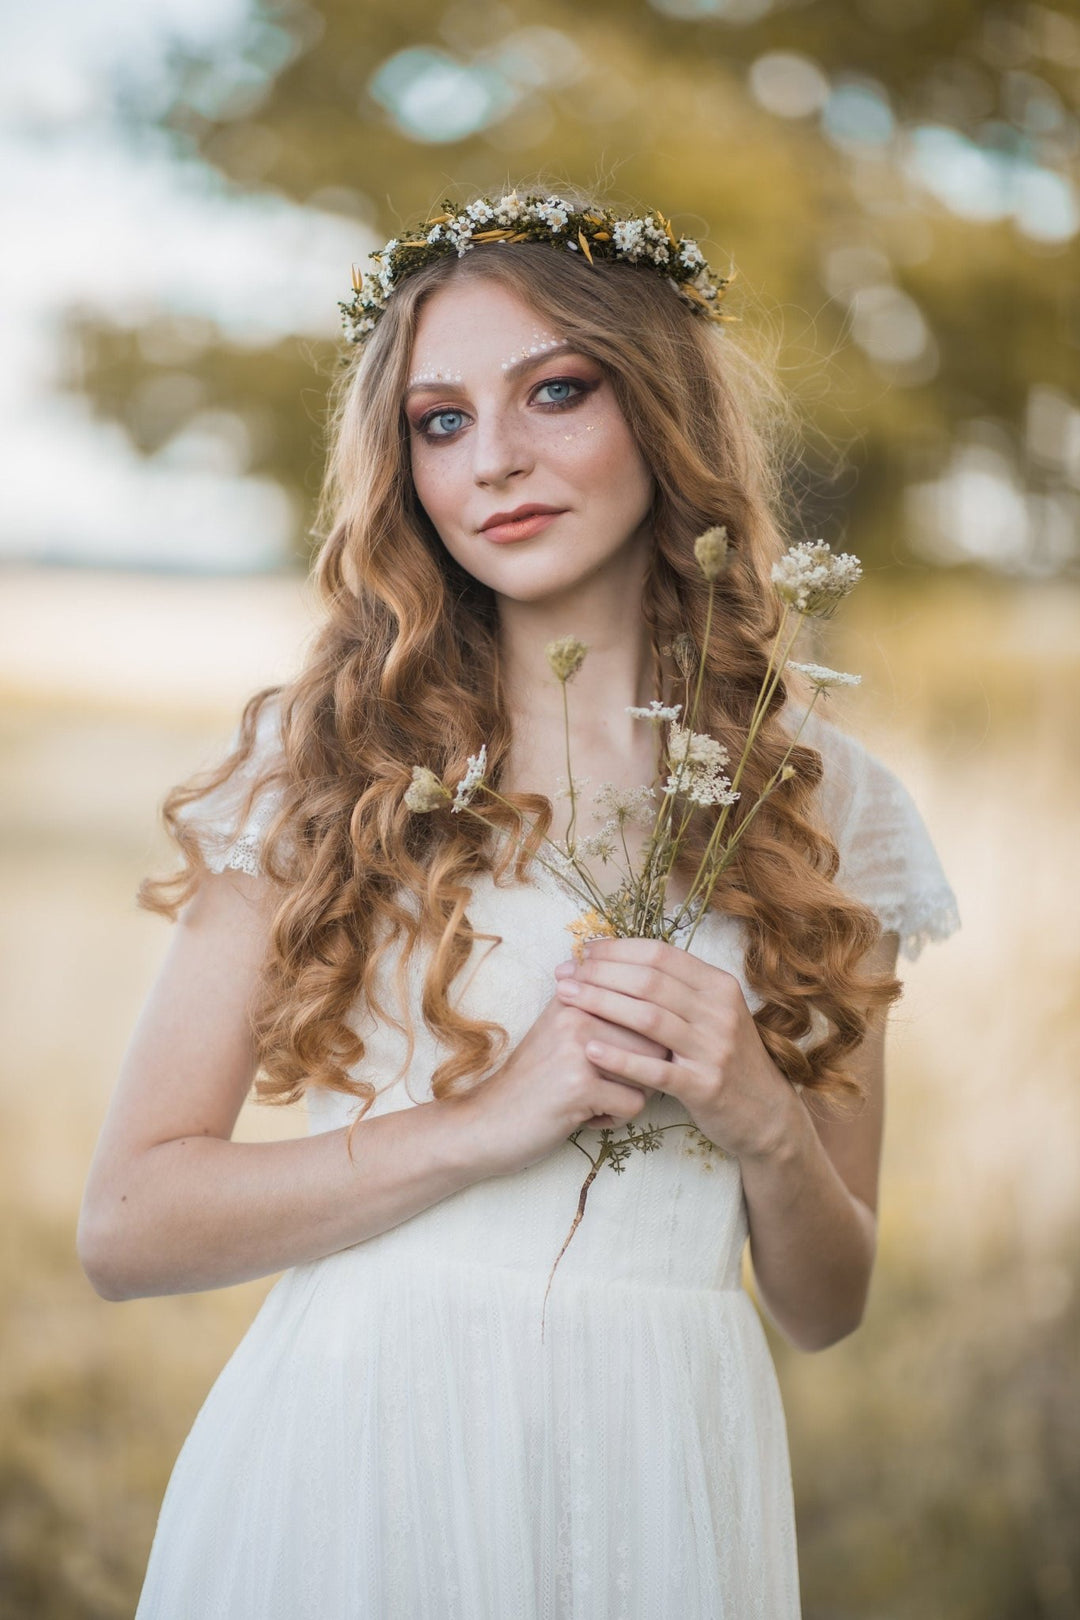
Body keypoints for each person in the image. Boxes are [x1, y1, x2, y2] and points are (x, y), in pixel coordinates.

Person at [77, 184, 962, 1618]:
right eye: (441, 421)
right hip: (357, 1464)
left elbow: (826, 1302)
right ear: (404, 466)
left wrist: (757, 1114)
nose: (495, 460)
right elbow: (127, 1224)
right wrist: (486, 1123)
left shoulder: (820, 805)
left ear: (661, 414)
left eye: (555, 391)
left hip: (666, 1473)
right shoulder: (326, 771)